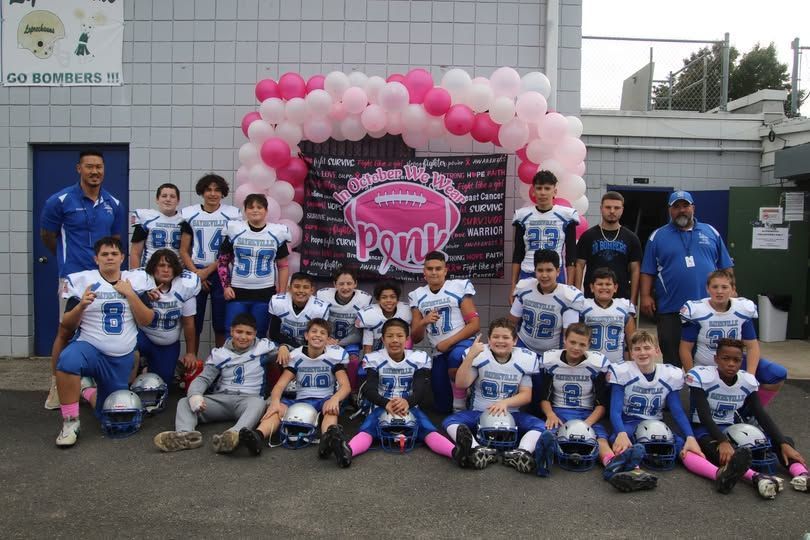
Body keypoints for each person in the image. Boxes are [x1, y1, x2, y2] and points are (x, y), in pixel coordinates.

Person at [40, 149, 125, 410]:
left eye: (99, 167)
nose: (95, 172)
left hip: (103, 279)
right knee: (66, 331)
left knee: (96, 330)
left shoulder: (114, 204)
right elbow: (48, 235)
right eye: (89, 167)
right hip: (72, 278)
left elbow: (116, 242)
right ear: (79, 169)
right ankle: (57, 384)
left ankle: (91, 384)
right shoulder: (60, 200)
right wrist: (66, 261)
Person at [54, 237, 155, 447]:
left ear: (122, 258)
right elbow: (67, 325)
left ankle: (86, 391)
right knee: (67, 361)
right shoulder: (85, 281)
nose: (110, 258)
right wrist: (81, 305)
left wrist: (131, 295)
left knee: (107, 412)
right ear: (96, 258)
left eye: (114, 254)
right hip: (90, 349)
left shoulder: (134, 281)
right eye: (105, 254)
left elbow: (146, 320)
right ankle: (70, 422)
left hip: (120, 358)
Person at [537, 324, 655, 491]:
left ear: (589, 345)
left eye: (582, 344)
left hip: (587, 413)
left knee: (600, 439)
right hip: (559, 412)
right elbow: (544, 397)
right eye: (572, 342)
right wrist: (549, 414)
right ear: (564, 340)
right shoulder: (551, 361)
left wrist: (586, 424)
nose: (576, 347)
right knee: (547, 433)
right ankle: (544, 459)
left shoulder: (596, 365)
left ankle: (611, 462)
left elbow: (601, 404)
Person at [684, 338, 805, 497]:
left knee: (784, 442)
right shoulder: (701, 377)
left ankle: (802, 475)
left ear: (742, 361)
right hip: (705, 428)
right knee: (715, 449)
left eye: (736, 360)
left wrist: (781, 442)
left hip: (733, 425)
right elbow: (704, 415)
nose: (731, 364)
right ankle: (756, 478)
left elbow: (760, 413)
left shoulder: (746, 380)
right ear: (716, 359)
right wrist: (722, 441)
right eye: (725, 359)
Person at [153, 313, 276, 454]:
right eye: (239, 332)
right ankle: (185, 435)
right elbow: (203, 378)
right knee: (184, 402)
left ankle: (234, 436)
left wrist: (284, 347)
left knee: (258, 404)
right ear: (231, 331)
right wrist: (195, 395)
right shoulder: (220, 354)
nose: (243, 337)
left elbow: (291, 355)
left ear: (255, 334)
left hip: (247, 400)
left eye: (248, 333)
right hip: (222, 399)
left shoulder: (264, 349)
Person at [640, 190, 733, 367]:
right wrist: (645, 295)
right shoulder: (658, 236)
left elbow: (726, 266)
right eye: (676, 207)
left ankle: (701, 393)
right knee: (672, 359)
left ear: (693, 208)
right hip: (671, 309)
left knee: (706, 358)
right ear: (670, 210)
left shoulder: (710, 232)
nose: (681, 210)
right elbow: (648, 270)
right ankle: (674, 393)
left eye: (685, 206)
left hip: (707, 308)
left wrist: (732, 289)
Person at [247, 318, 353, 467]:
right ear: (306, 335)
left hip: (324, 399)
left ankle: (328, 439)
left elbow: (345, 386)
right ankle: (257, 436)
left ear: (328, 339)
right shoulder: (297, 357)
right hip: (301, 399)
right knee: (279, 409)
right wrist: (275, 402)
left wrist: (335, 398)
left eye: (323, 333)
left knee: (330, 410)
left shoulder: (333, 357)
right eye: (314, 331)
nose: (318, 335)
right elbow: (280, 385)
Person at [346, 318, 456, 461]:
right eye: (390, 336)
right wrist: (385, 403)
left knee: (428, 428)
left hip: (410, 406)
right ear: (383, 339)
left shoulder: (418, 358)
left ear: (407, 339)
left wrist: (407, 402)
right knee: (367, 428)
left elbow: (421, 389)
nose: (395, 340)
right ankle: (347, 452)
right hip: (381, 406)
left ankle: (456, 453)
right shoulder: (374, 358)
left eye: (399, 336)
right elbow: (369, 389)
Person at [442, 318, 545, 470]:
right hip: (480, 412)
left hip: (511, 414)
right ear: (489, 340)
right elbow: (461, 384)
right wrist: (470, 356)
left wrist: (505, 403)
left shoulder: (524, 359)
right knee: (450, 422)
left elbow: (526, 395)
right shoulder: (480, 356)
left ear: (515, 341)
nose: (500, 341)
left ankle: (521, 451)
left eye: (506, 337)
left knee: (540, 426)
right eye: (496, 337)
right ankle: (476, 449)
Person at [607, 331, 703, 486]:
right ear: (631, 352)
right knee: (620, 442)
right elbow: (615, 411)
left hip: (656, 424)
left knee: (683, 445)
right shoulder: (623, 371)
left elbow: (677, 411)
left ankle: (717, 473)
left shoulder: (669, 374)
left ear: (657, 351)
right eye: (637, 349)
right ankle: (634, 473)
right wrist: (621, 433)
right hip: (630, 422)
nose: (642, 352)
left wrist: (690, 436)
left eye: (647, 348)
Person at [680, 270, 786, 406]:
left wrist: (749, 378)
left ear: (733, 290)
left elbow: (752, 346)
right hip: (707, 366)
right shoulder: (696, 310)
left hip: (735, 363)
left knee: (777, 374)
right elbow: (685, 349)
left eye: (724, 287)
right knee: (708, 414)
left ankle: (749, 411)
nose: (719, 291)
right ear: (707, 289)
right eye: (715, 287)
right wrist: (692, 377)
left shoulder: (742, 309)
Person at [508, 249, 583, 411]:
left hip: (551, 351)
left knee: (540, 399)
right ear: (534, 271)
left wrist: (562, 360)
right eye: (540, 270)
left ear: (558, 271)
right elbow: (512, 321)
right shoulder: (525, 288)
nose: (544, 275)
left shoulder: (568, 296)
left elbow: (569, 334)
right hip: (524, 343)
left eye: (549, 270)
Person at [409, 251, 480, 413]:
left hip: (462, 344)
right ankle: (460, 394)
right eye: (430, 268)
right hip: (439, 351)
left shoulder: (458, 287)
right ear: (424, 271)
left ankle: (462, 403)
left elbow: (474, 325)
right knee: (441, 404)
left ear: (445, 271)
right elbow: (416, 337)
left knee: (456, 357)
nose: (434, 272)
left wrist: (448, 342)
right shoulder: (417, 295)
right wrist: (423, 322)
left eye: (438, 268)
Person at [179, 174, 242, 350]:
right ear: (202, 192)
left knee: (220, 322)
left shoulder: (232, 215)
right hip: (195, 270)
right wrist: (197, 273)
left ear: (223, 193)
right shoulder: (190, 214)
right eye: (209, 189)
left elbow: (231, 250)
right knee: (194, 320)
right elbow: (183, 250)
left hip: (221, 272)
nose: (213, 194)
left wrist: (208, 271)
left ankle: (220, 362)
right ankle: (193, 363)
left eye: (217, 190)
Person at [218, 193, 290, 339]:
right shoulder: (235, 230)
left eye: (259, 207)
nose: (255, 210)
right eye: (251, 207)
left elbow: (283, 266)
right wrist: (226, 286)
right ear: (245, 210)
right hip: (237, 291)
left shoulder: (276, 233)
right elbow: (222, 261)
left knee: (260, 333)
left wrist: (281, 293)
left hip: (264, 292)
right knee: (232, 332)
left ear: (266, 210)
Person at [511, 170, 579, 299]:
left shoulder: (566, 215)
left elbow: (571, 254)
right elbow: (518, 253)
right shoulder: (522, 215)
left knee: (556, 314)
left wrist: (569, 286)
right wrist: (513, 285)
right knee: (525, 314)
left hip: (555, 273)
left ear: (554, 192)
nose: (543, 192)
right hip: (528, 271)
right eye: (539, 188)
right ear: (533, 191)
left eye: (547, 188)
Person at [137, 249, 200, 386]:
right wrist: (143, 298)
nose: (166, 270)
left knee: (162, 383)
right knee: (126, 349)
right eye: (161, 265)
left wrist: (190, 353)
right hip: (143, 336)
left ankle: (147, 368)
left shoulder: (185, 286)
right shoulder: (142, 282)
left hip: (167, 343)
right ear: (153, 267)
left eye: (170, 266)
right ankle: (134, 373)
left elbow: (189, 323)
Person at [574, 191, 642, 303]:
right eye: (608, 207)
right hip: (591, 299)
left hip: (621, 299)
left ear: (622, 209)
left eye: (616, 208)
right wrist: (577, 296)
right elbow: (579, 266)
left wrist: (633, 301)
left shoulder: (631, 238)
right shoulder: (588, 236)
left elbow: (636, 270)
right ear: (601, 208)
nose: (612, 211)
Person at [316, 267, 372, 392]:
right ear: (334, 284)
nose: (345, 287)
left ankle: (351, 391)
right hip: (327, 340)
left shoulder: (364, 299)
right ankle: (325, 389)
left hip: (350, 339)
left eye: (349, 283)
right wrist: (326, 339)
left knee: (353, 361)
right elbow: (318, 324)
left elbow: (359, 333)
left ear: (355, 284)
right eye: (341, 283)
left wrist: (339, 343)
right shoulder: (323, 296)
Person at [268, 272, 330, 367]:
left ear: (312, 290)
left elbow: (318, 335)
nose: (301, 290)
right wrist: (285, 346)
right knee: (273, 355)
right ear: (289, 288)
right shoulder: (278, 303)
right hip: (282, 341)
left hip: (309, 345)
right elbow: (273, 333)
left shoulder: (319, 308)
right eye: (297, 286)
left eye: (305, 287)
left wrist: (301, 349)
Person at [580, 267, 636, 364]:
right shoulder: (583, 306)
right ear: (592, 287)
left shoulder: (624, 306)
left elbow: (632, 343)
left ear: (615, 288)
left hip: (617, 366)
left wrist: (633, 365)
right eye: (600, 284)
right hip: (589, 365)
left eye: (608, 284)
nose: (604, 287)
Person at [129, 183, 184, 269]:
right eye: (164, 196)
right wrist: (135, 275)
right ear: (157, 199)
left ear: (178, 201)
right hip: (150, 270)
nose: (168, 199)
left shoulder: (185, 220)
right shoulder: (146, 218)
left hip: (177, 271)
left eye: (172, 196)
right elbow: (135, 252)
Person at [356, 280, 412, 354]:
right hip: (377, 358)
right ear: (378, 300)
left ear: (397, 299)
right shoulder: (370, 316)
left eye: (392, 297)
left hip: (399, 357)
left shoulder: (406, 312)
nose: (389, 300)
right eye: (384, 297)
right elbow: (367, 349)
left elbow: (408, 342)